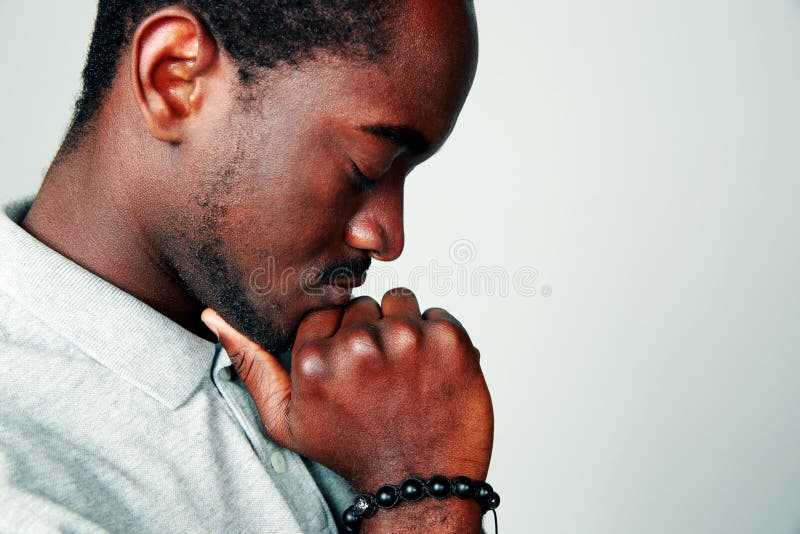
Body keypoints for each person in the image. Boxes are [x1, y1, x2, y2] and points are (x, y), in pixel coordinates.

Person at [0, 1, 494, 532]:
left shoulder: (364, 390)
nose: (387, 237)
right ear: (175, 79)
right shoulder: (23, 493)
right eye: (366, 168)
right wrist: (420, 494)